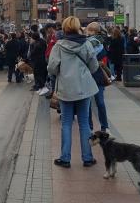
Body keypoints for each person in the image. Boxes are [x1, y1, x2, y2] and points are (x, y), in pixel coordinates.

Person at [48, 16, 99, 168]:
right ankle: (88, 158)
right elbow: (94, 66)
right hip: (84, 88)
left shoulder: (59, 46)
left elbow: (51, 68)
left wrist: (61, 73)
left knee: (66, 124)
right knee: (84, 123)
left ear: (64, 28)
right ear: (78, 27)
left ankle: (65, 158)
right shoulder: (87, 44)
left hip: (66, 89)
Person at [86, 22, 109, 132]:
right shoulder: (86, 44)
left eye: (90, 30)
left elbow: (104, 61)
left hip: (96, 76)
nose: (88, 32)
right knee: (91, 103)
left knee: (98, 102)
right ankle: (91, 126)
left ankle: (104, 126)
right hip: (91, 76)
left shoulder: (100, 45)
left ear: (95, 32)